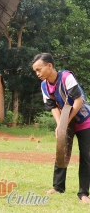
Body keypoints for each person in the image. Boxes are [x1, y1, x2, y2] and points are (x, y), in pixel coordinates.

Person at [32, 53, 90, 203]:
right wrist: (60, 124)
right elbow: (52, 107)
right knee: (61, 151)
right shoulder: (44, 85)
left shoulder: (66, 77)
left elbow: (78, 100)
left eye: (39, 69)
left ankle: (83, 193)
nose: (37, 73)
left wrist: (66, 121)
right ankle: (58, 187)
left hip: (84, 121)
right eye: (35, 71)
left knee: (86, 156)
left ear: (49, 66)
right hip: (66, 120)